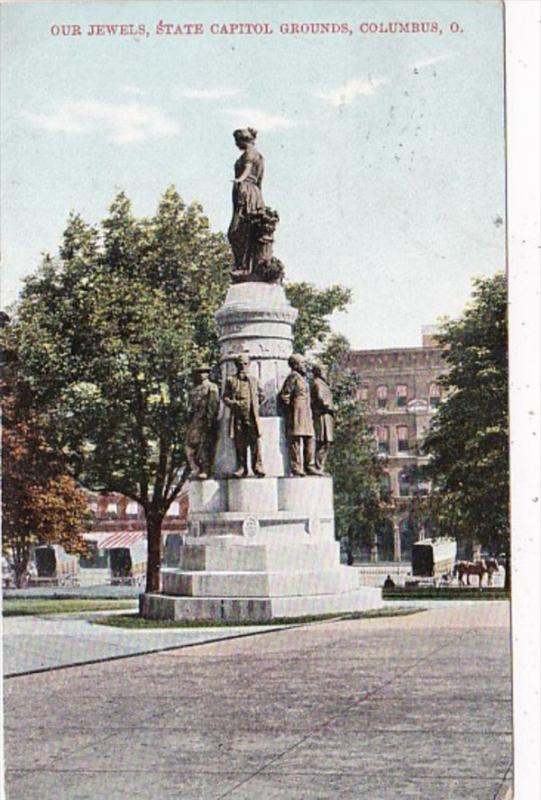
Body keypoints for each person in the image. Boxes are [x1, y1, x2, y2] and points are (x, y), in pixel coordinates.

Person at [227, 128, 266, 273]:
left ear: (242, 140)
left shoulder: (250, 153)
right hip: (254, 193)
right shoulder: (260, 156)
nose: (236, 145)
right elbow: (260, 179)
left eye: (237, 141)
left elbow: (248, 169)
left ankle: (242, 265)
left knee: (237, 231)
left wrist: (240, 180)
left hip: (246, 191)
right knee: (245, 231)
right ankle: (245, 266)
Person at [222, 353, 265, 478]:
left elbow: (262, 395)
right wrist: (234, 404)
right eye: (240, 364)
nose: (243, 366)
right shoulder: (231, 380)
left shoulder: (253, 380)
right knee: (239, 442)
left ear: (249, 365)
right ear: (236, 365)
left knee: (255, 442)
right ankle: (242, 467)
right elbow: (225, 397)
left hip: (251, 415)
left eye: (245, 364)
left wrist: (254, 405)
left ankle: (257, 467)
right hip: (237, 415)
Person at [279, 354, 321, 477]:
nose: (305, 366)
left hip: (306, 413)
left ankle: (309, 466)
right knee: (296, 441)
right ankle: (296, 467)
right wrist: (291, 410)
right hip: (296, 413)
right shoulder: (293, 377)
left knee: (310, 438)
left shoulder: (303, 379)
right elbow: (284, 395)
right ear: (295, 365)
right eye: (303, 363)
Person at [185, 366, 220, 479]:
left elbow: (213, 405)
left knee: (204, 445)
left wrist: (210, 421)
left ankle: (205, 468)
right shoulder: (194, 390)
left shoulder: (212, 387)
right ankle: (196, 467)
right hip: (194, 421)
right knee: (190, 445)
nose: (201, 374)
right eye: (199, 372)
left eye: (204, 372)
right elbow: (189, 407)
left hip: (205, 421)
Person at [311, 362, 334, 473]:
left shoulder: (324, 384)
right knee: (321, 440)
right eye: (324, 371)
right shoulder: (317, 383)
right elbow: (321, 399)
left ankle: (321, 466)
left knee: (326, 442)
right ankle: (317, 466)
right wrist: (331, 406)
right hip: (321, 416)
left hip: (327, 416)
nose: (326, 373)